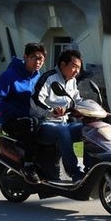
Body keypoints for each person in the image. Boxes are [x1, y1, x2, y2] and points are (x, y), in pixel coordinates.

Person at [31, 49, 85, 183]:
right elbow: (35, 100)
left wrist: (94, 109)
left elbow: (77, 100)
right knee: (63, 131)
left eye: (79, 68)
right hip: (43, 124)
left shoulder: (72, 81)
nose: (77, 71)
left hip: (63, 123)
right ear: (62, 65)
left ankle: (91, 168)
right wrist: (51, 111)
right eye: (74, 67)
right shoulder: (48, 78)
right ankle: (75, 173)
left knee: (89, 128)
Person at [0, 42, 47, 136]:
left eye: (40, 59)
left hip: (32, 118)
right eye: (33, 57)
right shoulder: (10, 75)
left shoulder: (39, 77)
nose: (37, 62)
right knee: (32, 123)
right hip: (12, 120)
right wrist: (17, 111)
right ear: (25, 57)